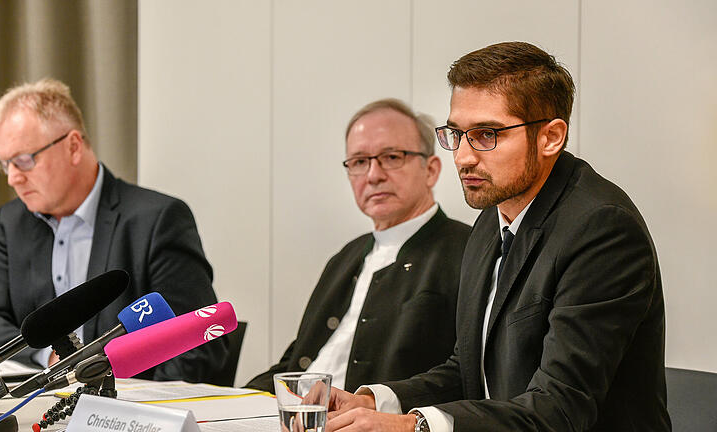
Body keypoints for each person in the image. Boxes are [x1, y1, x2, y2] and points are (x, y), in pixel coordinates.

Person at [325, 42, 670, 431]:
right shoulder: (493, 217)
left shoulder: (602, 229)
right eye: (456, 134)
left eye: (486, 134)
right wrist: (377, 400)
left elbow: (561, 408)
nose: (463, 157)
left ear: (551, 137)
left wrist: (412, 426)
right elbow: (468, 370)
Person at [0, 78, 227, 383]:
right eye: (6, 165)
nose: (13, 179)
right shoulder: (13, 221)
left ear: (73, 146)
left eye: (23, 161)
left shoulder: (158, 219)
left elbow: (199, 345)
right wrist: (52, 354)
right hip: (46, 403)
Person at [246, 99, 471, 393]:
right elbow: (296, 362)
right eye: (360, 162)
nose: (373, 175)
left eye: (392, 157)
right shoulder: (345, 258)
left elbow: (462, 375)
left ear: (431, 169)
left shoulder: (467, 252)